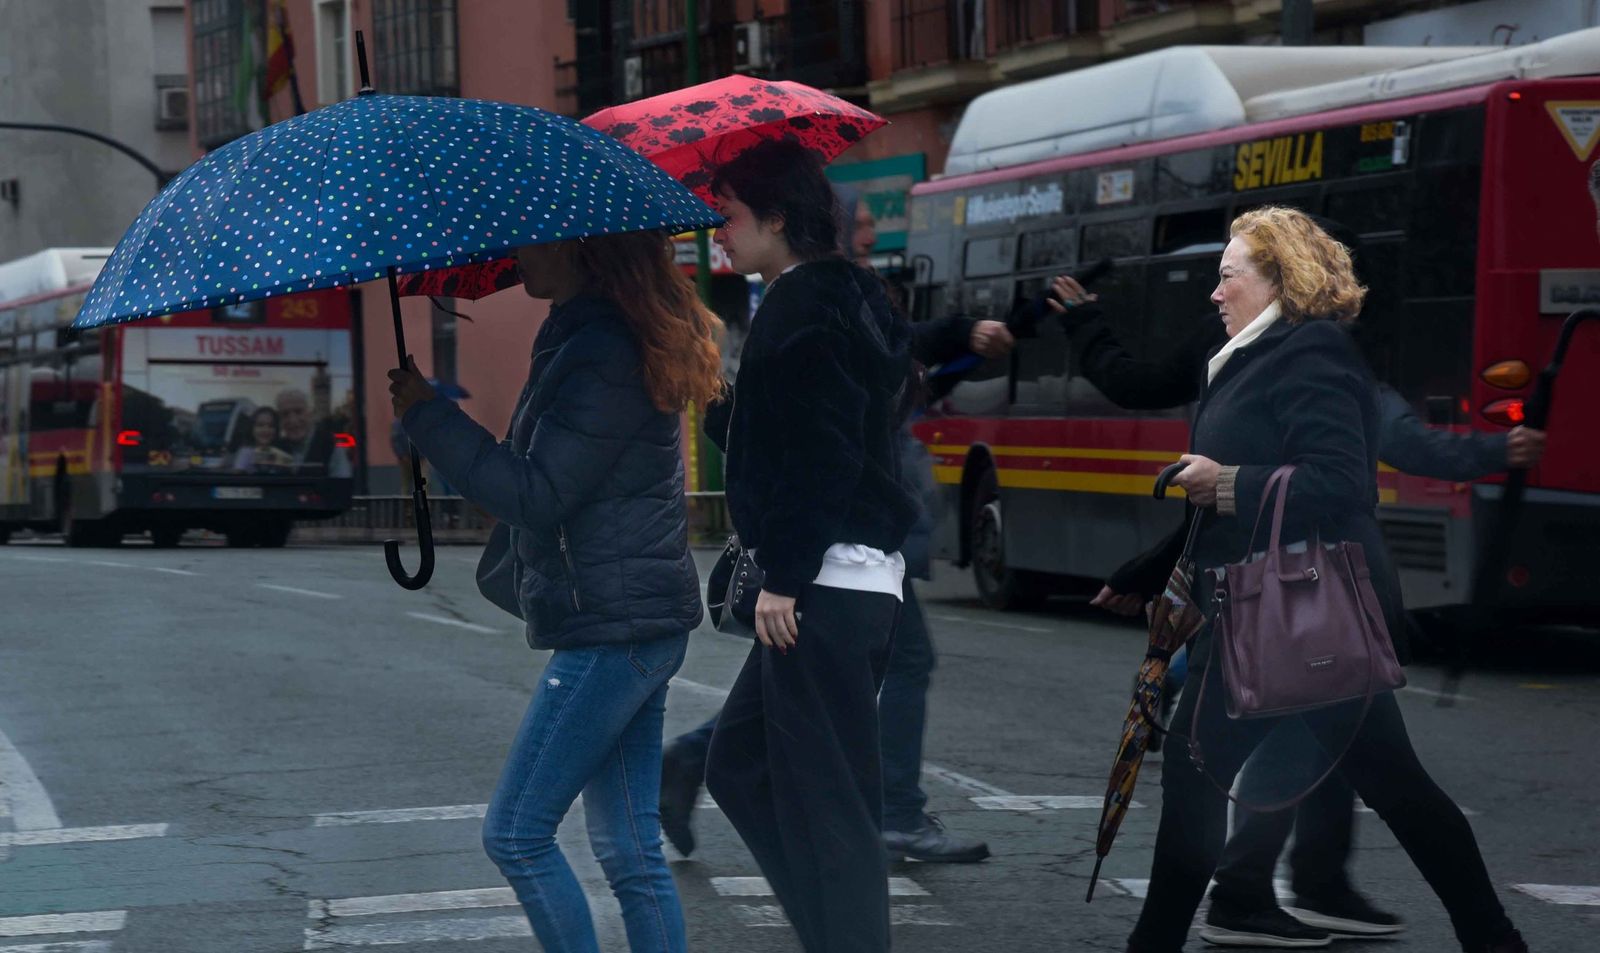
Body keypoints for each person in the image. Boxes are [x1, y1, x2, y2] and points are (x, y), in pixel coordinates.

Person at [1066, 217, 1546, 948]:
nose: (1215, 291)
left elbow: (1340, 483)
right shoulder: (1241, 359)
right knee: (1370, 784)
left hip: (1300, 610)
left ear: (1280, 281)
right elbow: (1223, 493)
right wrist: (1155, 566)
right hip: (1258, 609)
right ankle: (1491, 937)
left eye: (1229, 275)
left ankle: (1489, 935)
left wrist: (1228, 482)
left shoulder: (1312, 353)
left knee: (1386, 786)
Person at [387, 228, 722, 953]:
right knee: (631, 850)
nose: (517, 257)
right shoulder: (581, 338)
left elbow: (535, 494)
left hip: (613, 627)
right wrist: (428, 421)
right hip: (628, 620)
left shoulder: (601, 352)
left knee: (516, 832)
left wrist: (429, 415)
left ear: (578, 250)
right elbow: (536, 472)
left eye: (532, 244)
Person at [658, 186, 1006, 866]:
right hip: (842, 551)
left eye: (728, 218)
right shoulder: (814, 300)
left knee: (777, 723)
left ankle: (705, 763)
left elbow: (866, 386)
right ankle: (887, 818)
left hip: (844, 547)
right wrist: (785, 578)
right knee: (835, 734)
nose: (870, 233)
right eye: (861, 222)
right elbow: (817, 448)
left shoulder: (823, 297)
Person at [698, 139, 917, 953]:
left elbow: (826, 453)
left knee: (834, 809)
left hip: (824, 584)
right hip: (848, 578)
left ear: (778, 219)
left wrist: (785, 577)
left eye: (728, 215)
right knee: (738, 763)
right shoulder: (847, 294)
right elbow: (807, 429)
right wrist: (724, 403)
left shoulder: (798, 308)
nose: (718, 233)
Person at [231, 406, 295, 472]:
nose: (266, 430)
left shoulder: (283, 450)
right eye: (260, 425)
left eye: (271, 426)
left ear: (277, 430)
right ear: (252, 428)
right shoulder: (246, 453)